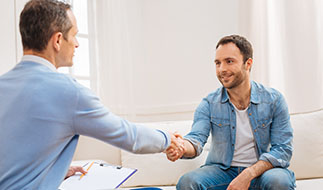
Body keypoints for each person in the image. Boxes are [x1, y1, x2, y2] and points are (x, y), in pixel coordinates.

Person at [0, 0, 184, 189]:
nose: (77, 44)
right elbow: (129, 137)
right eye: (74, 35)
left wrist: (57, 172)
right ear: (57, 40)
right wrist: (168, 139)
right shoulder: (68, 92)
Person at [165, 35, 296, 190]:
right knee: (188, 182)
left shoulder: (274, 100)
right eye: (217, 63)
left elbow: (283, 149)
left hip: (264, 171)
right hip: (222, 172)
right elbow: (196, 140)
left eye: (229, 61)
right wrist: (180, 147)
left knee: (279, 181)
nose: (222, 69)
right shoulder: (209, 103)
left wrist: (248, 173)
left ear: (248, 64)